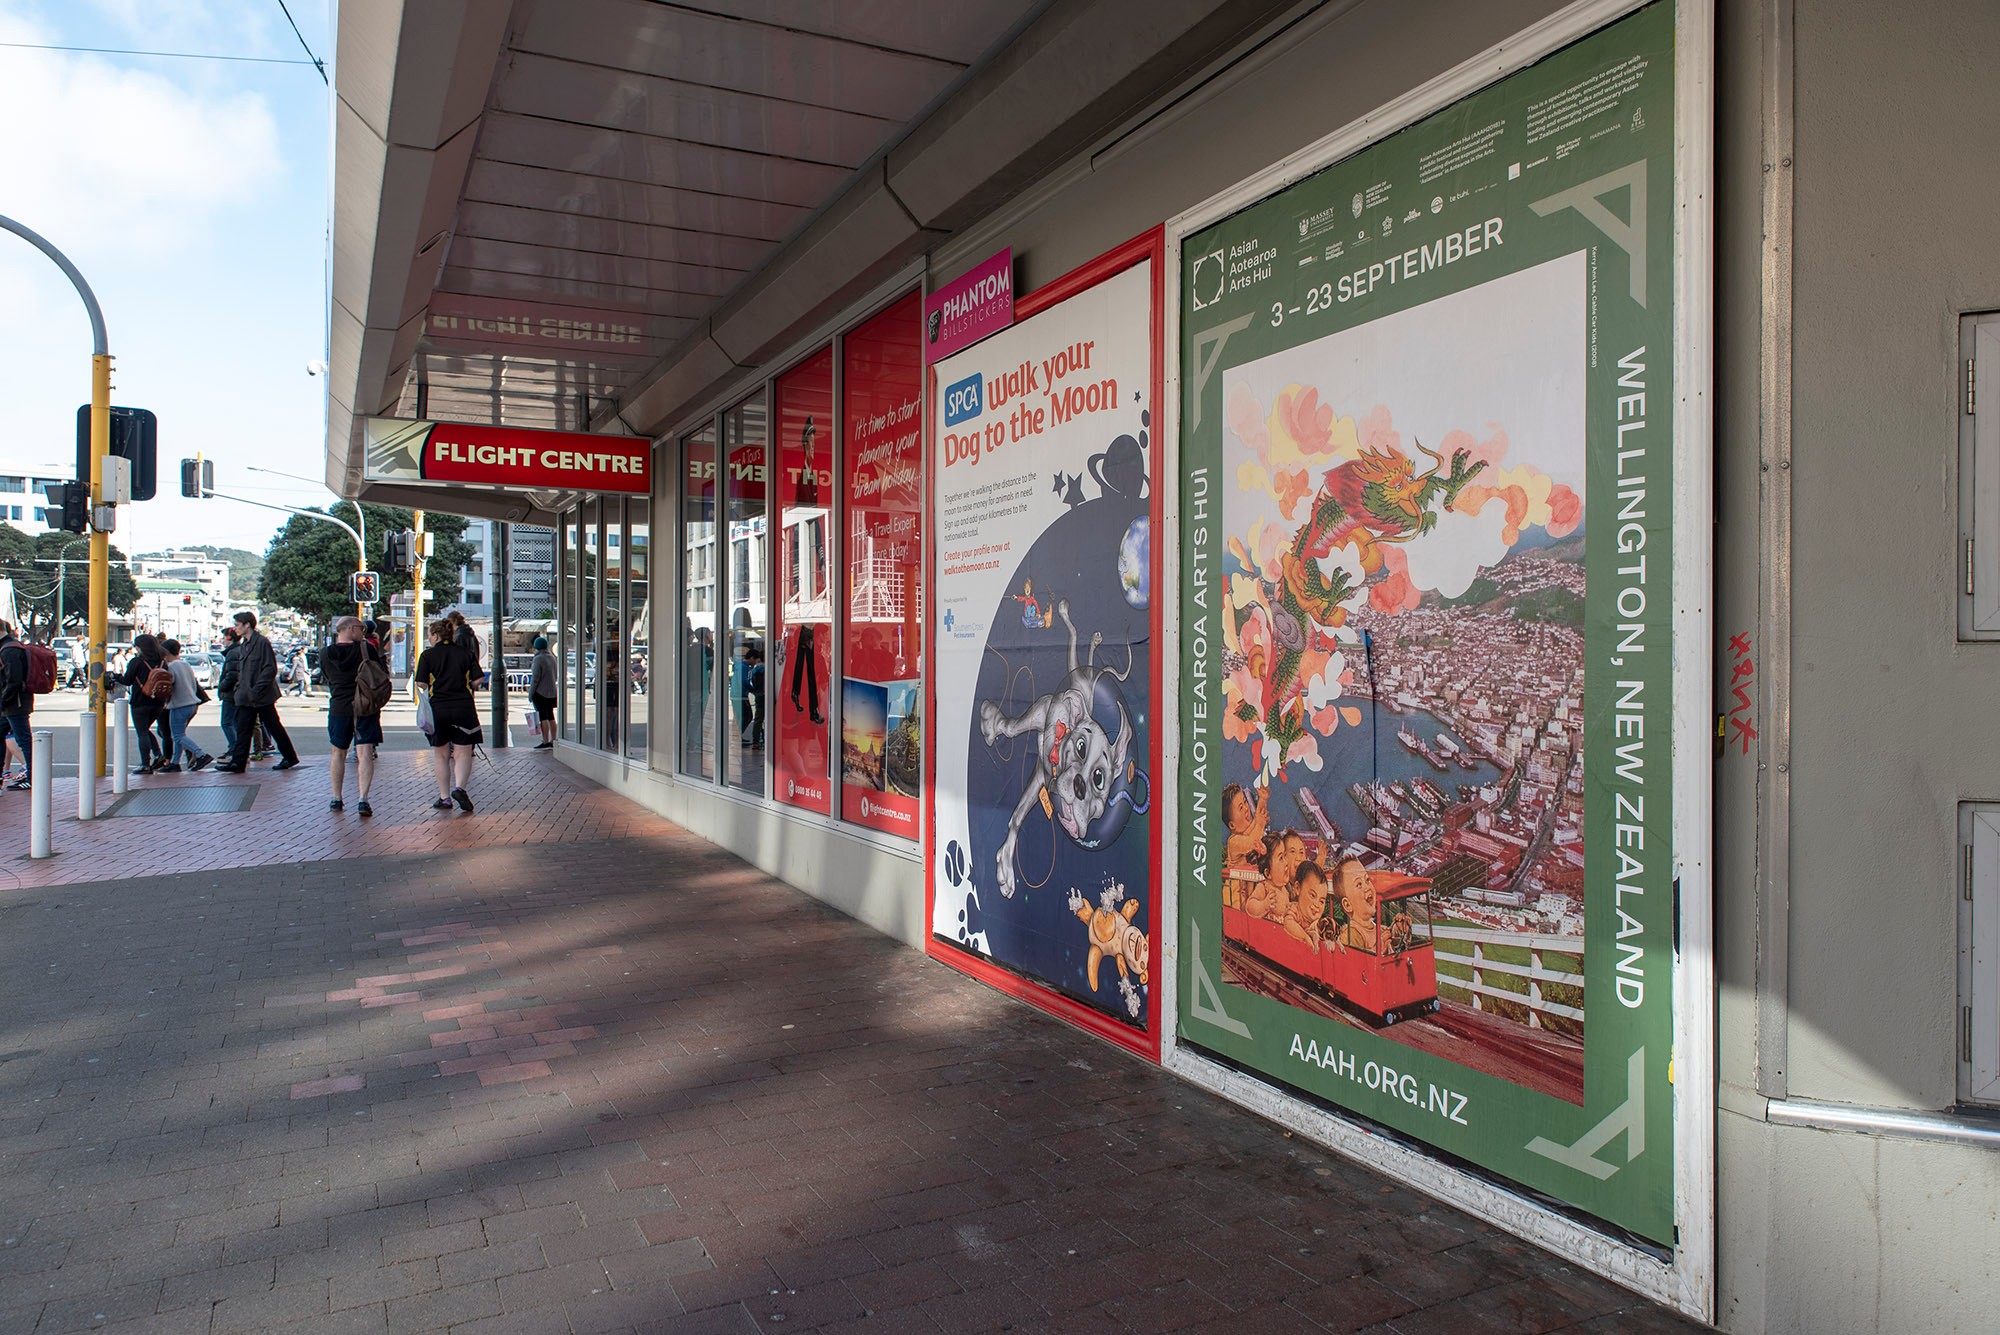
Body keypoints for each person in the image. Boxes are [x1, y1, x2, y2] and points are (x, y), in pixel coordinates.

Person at [214, 611, 300, 773]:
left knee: (274, 726)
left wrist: (256, 689)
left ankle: (290, 757)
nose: (235, 628)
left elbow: (269, 669)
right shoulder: (245, 644)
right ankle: (238, 763)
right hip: (246, 696)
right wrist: (241, 689)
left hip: (261, 696)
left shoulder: (261, 642)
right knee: (243, 728)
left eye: (238, 625)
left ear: (247, 625)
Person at [416, 617, 485, 812]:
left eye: (430, 635)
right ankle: (460, 788)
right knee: (463, 752)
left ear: (436, 635)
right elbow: (478, 678)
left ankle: (444, 798)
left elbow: (421, 684)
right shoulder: (465, 653)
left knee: (441, 754)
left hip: (438, 709)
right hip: (464, 707)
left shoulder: (428, 656)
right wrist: (469, 685)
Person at [320, 616, 384, 816]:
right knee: (364, 752)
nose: (363, 632)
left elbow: (326, 677)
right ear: (348, 628)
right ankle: (363, 799)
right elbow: (380, 674)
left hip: (339, 706)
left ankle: (336, 798)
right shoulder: (366, 649)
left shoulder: (326, 653)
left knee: (338, 751)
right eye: (360, 628)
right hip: (364, 706)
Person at [159, 639, 215, 772]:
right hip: (192, 703)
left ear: (166, 653)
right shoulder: (185, 664)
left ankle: (201, 754)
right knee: (179, 734)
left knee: (177, 736)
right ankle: (175, 762)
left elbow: (169, 685)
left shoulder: (171, 667)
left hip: (179, 705)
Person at [124, 633, 175, 774]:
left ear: (141, 647)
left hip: (140, 702)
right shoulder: (163, 662)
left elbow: (127, 680)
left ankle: (145, 764)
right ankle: (158, 754)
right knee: (145, 729)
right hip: (158, 702)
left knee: (142, 732)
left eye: (137, 646)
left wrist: (114, 677)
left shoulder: (137, 662)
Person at [1243, 828, 1306, 923]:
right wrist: (1264, 905)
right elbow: (1250, 906)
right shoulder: (1265, 887)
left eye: (1285, 856)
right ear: (1268, 873)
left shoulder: (1285, 890)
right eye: (1281, 858)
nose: (1286, 863)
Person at [0, 621, 34, 791]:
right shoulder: (10, 646)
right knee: (17, 738)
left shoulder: (9, 650)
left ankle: (32, 776)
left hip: (15, 704)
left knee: (23, 740)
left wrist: (3, 701)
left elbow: (13, 680)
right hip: (13, 703)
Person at [1330, 855, 1379, 953]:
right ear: (1347, 905)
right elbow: (1355, 962)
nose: (1367, 887)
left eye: (1367, 880)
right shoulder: (1351, 934)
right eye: (1359, 884)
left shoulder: (1377, 927)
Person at [1222, 782, 1271, 870]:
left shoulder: (1246, 833)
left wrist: (1262, 800)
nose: (1246, 808)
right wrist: (1260, 824)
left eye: (1245, 802)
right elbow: (1253, 843)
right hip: (1238, 883)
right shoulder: (1233, 841)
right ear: (1232, 825)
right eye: (1241, 807)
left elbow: (1257, 818)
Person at [1285, 861, 1330, 948]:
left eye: (1321, 901)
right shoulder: (1294, 909)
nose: (1317, 905)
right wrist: (1305, 937)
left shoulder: (1319, 923)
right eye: (1312, 895)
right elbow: (1288, 923)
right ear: (1298, 888)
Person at [215, 625, 243, 754]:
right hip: (238, 693)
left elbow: (232, 675)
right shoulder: (240, 650)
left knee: (227, 723)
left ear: (229, 638)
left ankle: (235, 748)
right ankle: (236, 748)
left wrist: (222, 686)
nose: (222, 642)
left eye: (224, 638)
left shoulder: (233, 653)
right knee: (236, 723)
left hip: (231, 694)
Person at [528, 635, 558, 749]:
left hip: (540, 692)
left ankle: (545, 741)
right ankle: (553, 739)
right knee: (551, 716)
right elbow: (555, 675)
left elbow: (535, 678)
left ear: (536, 647)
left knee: (543, 717)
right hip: (552, 691)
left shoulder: (538, 659)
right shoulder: (552, 657)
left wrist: (531, 693)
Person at [740, 643, 764, 748]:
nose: (756, 663)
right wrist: (752, 690)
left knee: (755, 717)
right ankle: (756, 740)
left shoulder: (751, 669)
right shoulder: (746, 667)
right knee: (749, 716)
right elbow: (744, 681)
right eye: (756, 660)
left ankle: (755, 741)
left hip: (755, 695)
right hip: (745, 695)